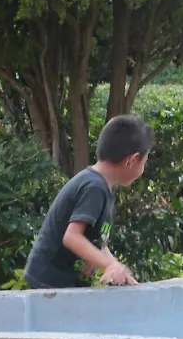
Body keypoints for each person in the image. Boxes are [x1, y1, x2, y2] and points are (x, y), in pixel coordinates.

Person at [23, 116, 152, 289]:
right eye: (144, 161)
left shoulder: (102, 187)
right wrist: (109, 265)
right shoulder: (94, 188)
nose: (143, 168)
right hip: (49, 281)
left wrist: (121, 272)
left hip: (62, 282)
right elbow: (72, 237)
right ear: (132, 160)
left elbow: (99, 244)